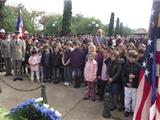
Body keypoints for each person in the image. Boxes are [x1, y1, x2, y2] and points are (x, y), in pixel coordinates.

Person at [122, 50, 141, 117]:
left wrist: (135, 76)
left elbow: (140, 76)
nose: (131, 59)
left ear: (136, 58)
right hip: (127, 85)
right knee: (127, 98)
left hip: (135, 86)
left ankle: (133, 110)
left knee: (134, 99)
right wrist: (126, 82)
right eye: (130, 57)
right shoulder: (126, 65)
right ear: (128, 57)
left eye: (133, 57)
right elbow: (123, 75)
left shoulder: (138, 66)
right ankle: (127, 110)